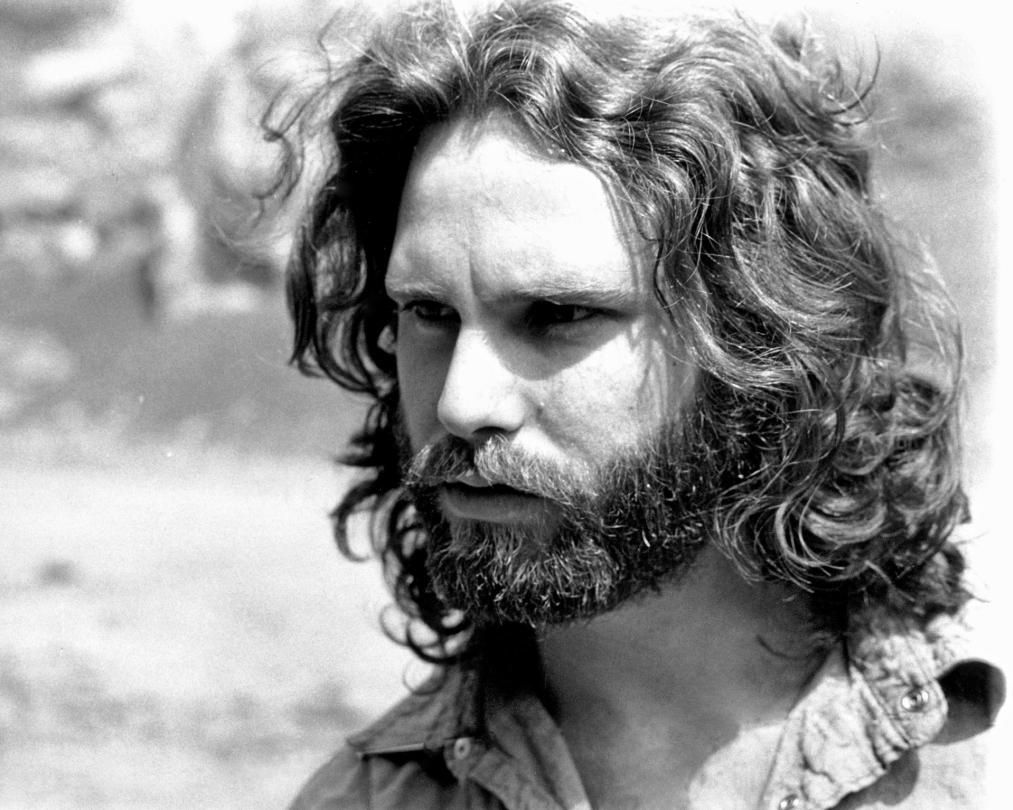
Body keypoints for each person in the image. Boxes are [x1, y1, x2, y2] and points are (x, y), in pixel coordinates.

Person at [272, 2, 1005, 807]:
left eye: (557, 314)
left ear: (759, 337)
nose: (461, 402)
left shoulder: (979, 765)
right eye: (428, 312)